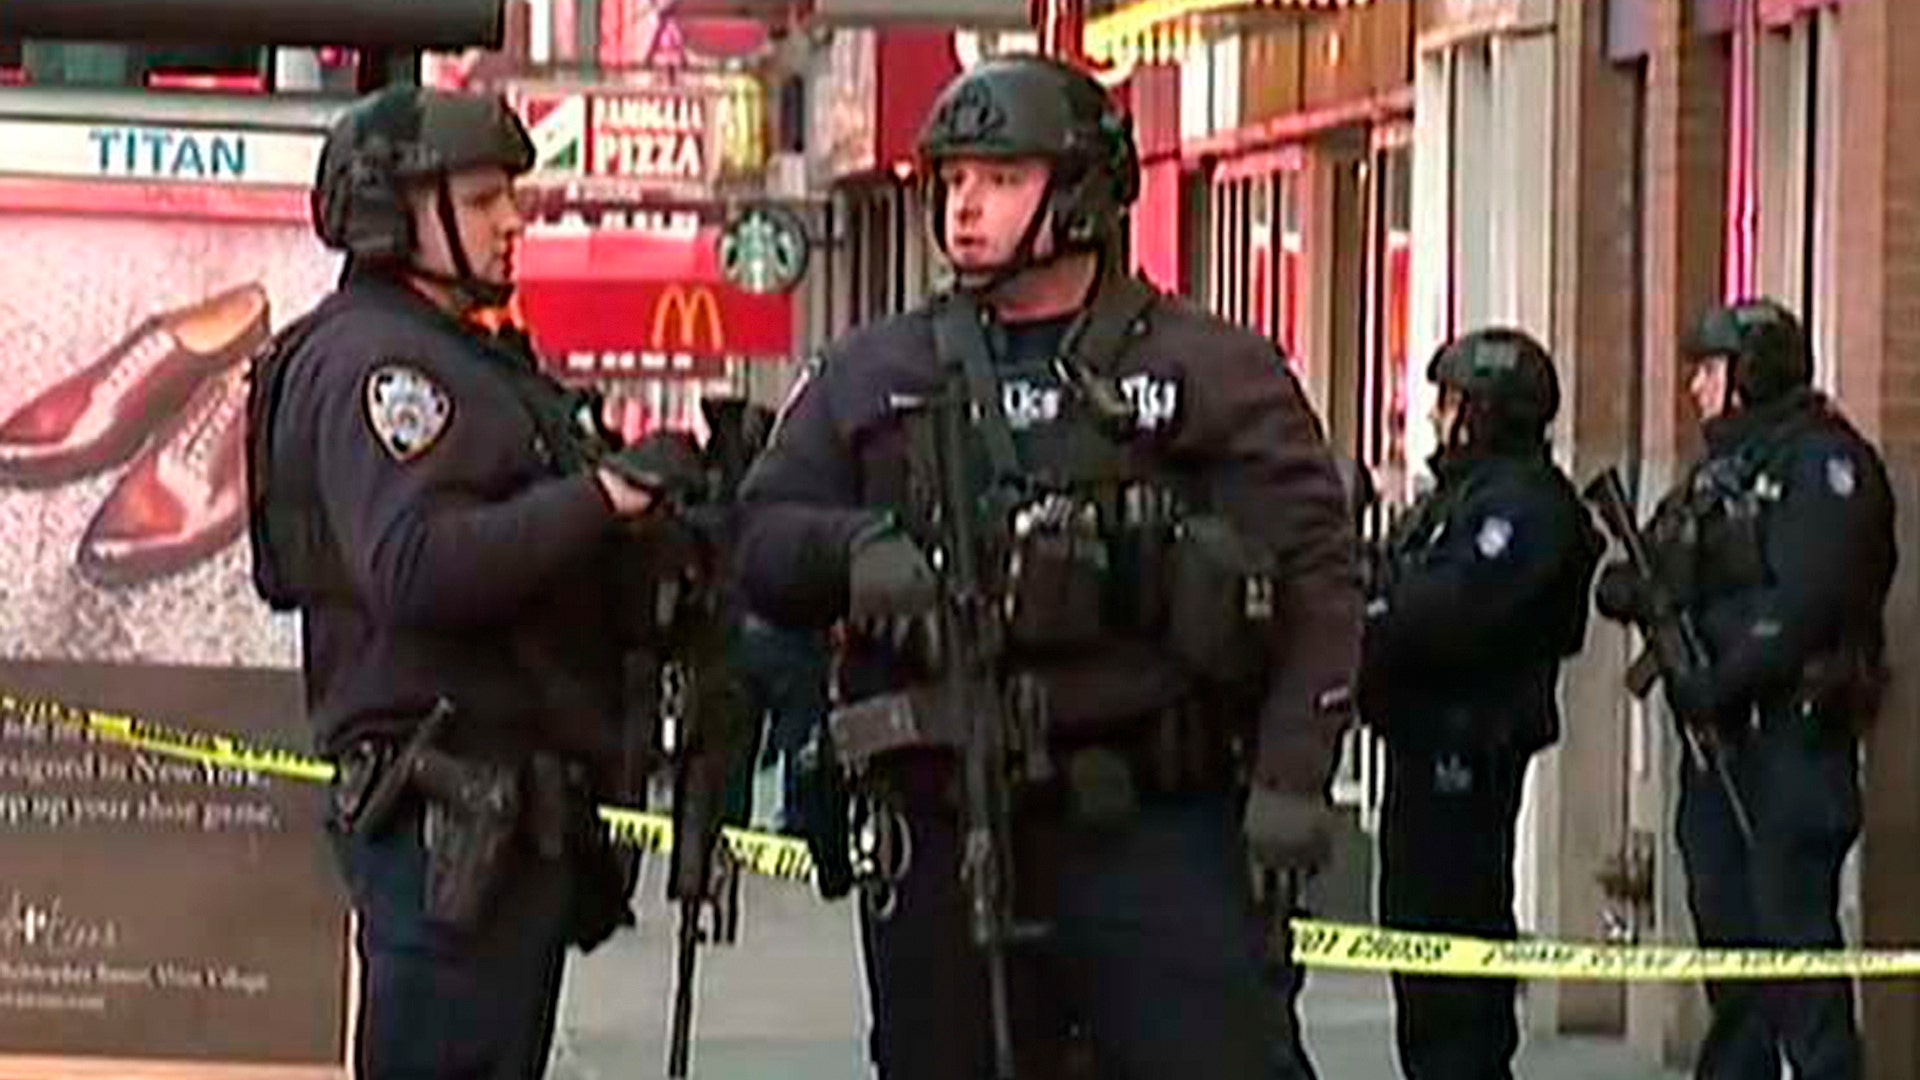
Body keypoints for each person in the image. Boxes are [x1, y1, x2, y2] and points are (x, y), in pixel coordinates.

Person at [735, 53, 1360, 1080]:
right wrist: (858, 553)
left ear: (1077, 193)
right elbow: (759, 542)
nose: (965, 208)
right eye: (953, 181)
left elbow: (1318, 581)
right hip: (945, 827)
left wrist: (1295, 779)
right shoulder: (879, 372)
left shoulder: (1208, 371)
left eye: (1001, 178)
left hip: (1154, 827)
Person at [245, 86, 696, 1079]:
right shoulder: (381, 365)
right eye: (485, 199)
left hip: (506, 822)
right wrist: (602, 501)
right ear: (394, 212)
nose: (512, 221)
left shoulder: (466, 357)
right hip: (445, 822)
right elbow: (413, 567)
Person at [1594, 299, 1893, 1080]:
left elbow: (1809, 600)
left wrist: (1719, 672)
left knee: (1795, 953)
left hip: (1791, 739)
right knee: (1730, 947)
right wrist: (1642, 595)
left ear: (1751, 375)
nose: (1696, 387)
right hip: (1717, 741)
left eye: (1711, 370)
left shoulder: (1826, 466)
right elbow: (1647, 563)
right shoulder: (1717, 474)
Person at [1360, 329, 1603, 1079]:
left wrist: (1378, 611)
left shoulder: (1524, 506)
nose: (1439, 417)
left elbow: (1449, 609)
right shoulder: (1460, 497)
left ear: (1491, 412)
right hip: (1419, 742)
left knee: (1456, 941)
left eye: (1454, 403)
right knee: (1417, 937)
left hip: (1467, 748)